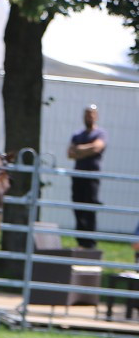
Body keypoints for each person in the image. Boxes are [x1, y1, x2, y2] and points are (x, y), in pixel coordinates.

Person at [67, 104, 106, 249]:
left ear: (96, 116)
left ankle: (90, 243)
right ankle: (81, 242)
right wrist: (87, 149)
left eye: (92, 114)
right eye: (87, 114)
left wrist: (79, 149)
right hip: (78, 175)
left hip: (92, 176)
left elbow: (98, 147)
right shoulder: (77, 134)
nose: (89, 117)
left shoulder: (100, 133)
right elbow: (70, 153)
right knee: (78, 207)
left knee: (90, 207)